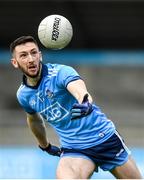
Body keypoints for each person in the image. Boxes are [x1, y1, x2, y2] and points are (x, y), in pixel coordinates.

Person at [10, 35, 142, 179]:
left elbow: (81, 91)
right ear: (15, 63)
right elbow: (34, 119)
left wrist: (85, 102)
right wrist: (44, 145)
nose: (30, 59)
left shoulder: (60, 73)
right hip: (74, 149)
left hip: (104, 139)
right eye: (23, 55)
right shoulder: (23, 95)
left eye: (34, 53)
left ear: (40, 56)